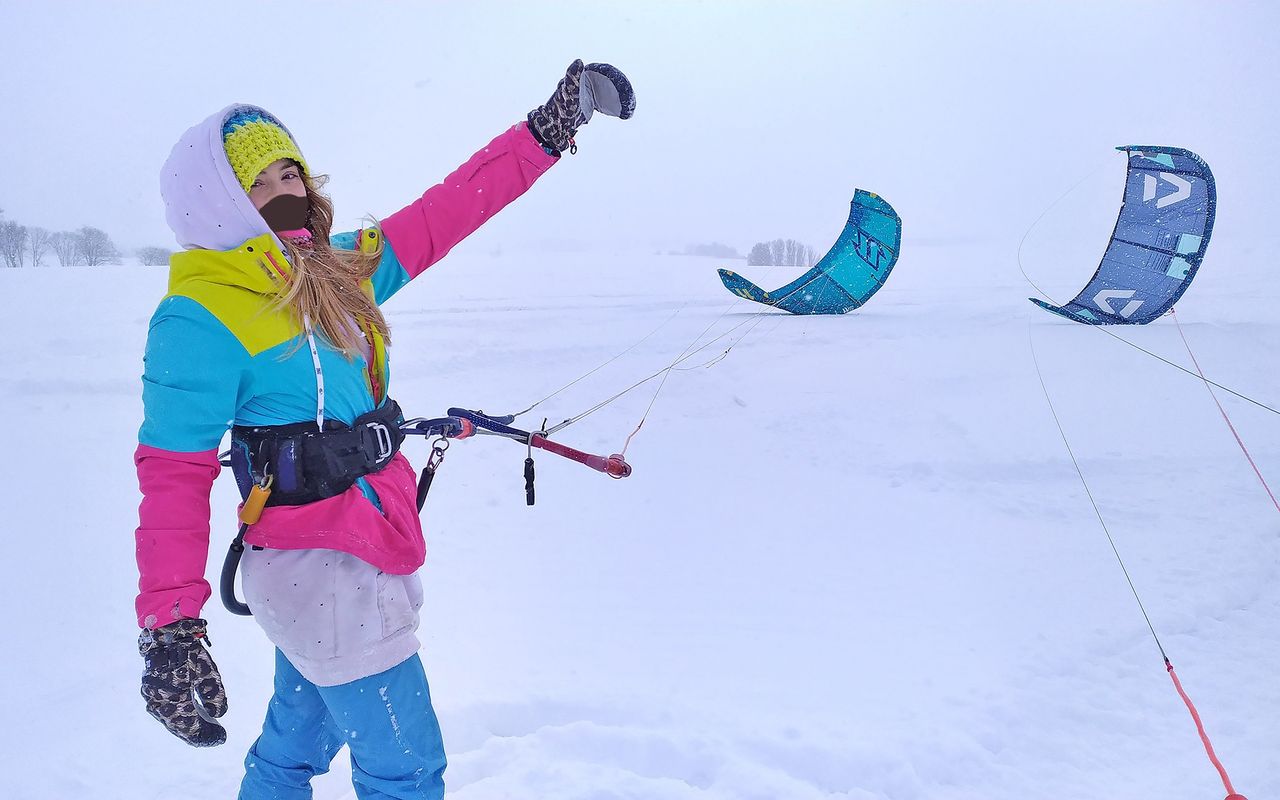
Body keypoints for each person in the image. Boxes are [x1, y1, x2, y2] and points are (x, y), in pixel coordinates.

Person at [134, 60, 635, 799]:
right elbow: (172, 472)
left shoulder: (338, 273)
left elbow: (446, 212)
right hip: (315, 570)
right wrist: (171, 626)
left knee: (293, 748)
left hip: (365, 542)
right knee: (406, 768)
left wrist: (543, 135)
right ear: (218, 206)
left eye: (289, 173)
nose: (285, 194)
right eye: (259, 184)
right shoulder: (201, 312)